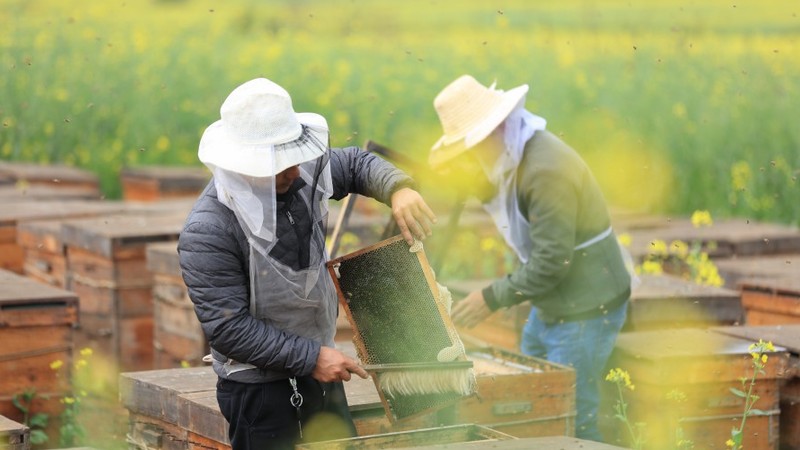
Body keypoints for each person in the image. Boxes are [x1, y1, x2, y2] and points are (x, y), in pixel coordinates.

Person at [178, 77, 437, 450]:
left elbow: (356, 163)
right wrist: (311, 357)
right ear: (246, 165)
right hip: (260, 395)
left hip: (321, 375)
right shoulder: (208, 230)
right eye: (280, 165)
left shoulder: (299, 176)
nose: (295, 172)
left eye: (294, 159)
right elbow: (229, 329)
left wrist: (399, 188)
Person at [429, 75, 631, 442]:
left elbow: (553, 261)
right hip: (551, 303)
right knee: (538, 409)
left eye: (470, 149)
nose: (469, 160)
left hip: (586, 308)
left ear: (494, 130)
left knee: (572, 418)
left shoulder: (546, 171)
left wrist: (491, 297)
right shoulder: (514, 156)